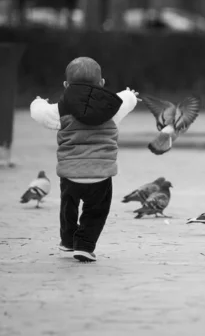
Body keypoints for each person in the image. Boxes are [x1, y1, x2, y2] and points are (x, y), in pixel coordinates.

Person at [30, 57, 139, 262]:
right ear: (102, 83)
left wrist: (39, 102)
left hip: (70, 173)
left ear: (66, 85)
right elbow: (126, 99)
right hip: (101, 175)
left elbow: (38, 113)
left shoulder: (59, 110)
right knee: (96, 212)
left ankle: (68, 241)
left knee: (67, 207)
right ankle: (85, 246)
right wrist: (131, 95)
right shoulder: (112, 107)